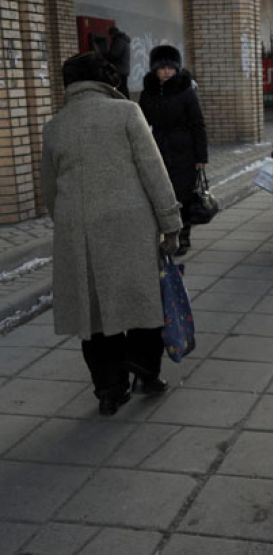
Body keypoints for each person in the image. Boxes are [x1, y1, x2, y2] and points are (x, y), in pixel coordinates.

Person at [41, 52, 182, 416]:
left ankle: (108, 388)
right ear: (106, 80)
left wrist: (68, 223)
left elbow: (50, 190)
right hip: (129, 225)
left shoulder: (55, 126)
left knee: (94, 314)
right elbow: (153, 170)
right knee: (140, 302)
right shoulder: (126, 113)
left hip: (78, 230)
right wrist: (170, 223)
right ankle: (145, 373)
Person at [138, 44, 208, 257]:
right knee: (162, 196)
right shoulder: (148, 92)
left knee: (182, 196)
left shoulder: (186, 91)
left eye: (170, 67)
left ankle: (183, 236)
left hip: (184, 151)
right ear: (155, 69)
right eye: (162, 67)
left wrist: (201, 156)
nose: (167, 71)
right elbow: (140, 123)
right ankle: (167, 235)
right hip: (158, 150)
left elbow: (198, 124)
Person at [98, 26, 131, 98]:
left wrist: (104, 54)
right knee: (123, 87)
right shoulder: (123, 39)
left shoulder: (119, 40)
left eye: (110, 35)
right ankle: (126, 102)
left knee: (121, 88)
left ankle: (126, 103)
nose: (110, 37)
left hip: (120, 69)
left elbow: (114, 54)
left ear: (113, 33)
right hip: (123, 69)